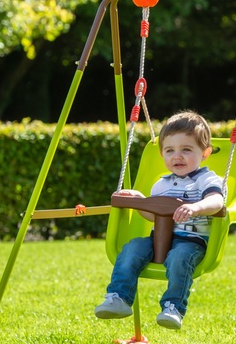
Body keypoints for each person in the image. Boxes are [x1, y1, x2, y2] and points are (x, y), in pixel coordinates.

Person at [95, 110, 224, 330]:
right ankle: (119, 298)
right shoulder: (161, 184)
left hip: (191, 242)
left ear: (205, 153)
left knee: (180, 258)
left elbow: (217, 201)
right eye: (170, 150)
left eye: (186, 149)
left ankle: (173, 307)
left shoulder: (208, 179)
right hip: (159, 239)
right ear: (162, 154)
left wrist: (196, 207)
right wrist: (140, 201)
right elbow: (154, 215)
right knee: (132, 248)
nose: (177, 156)